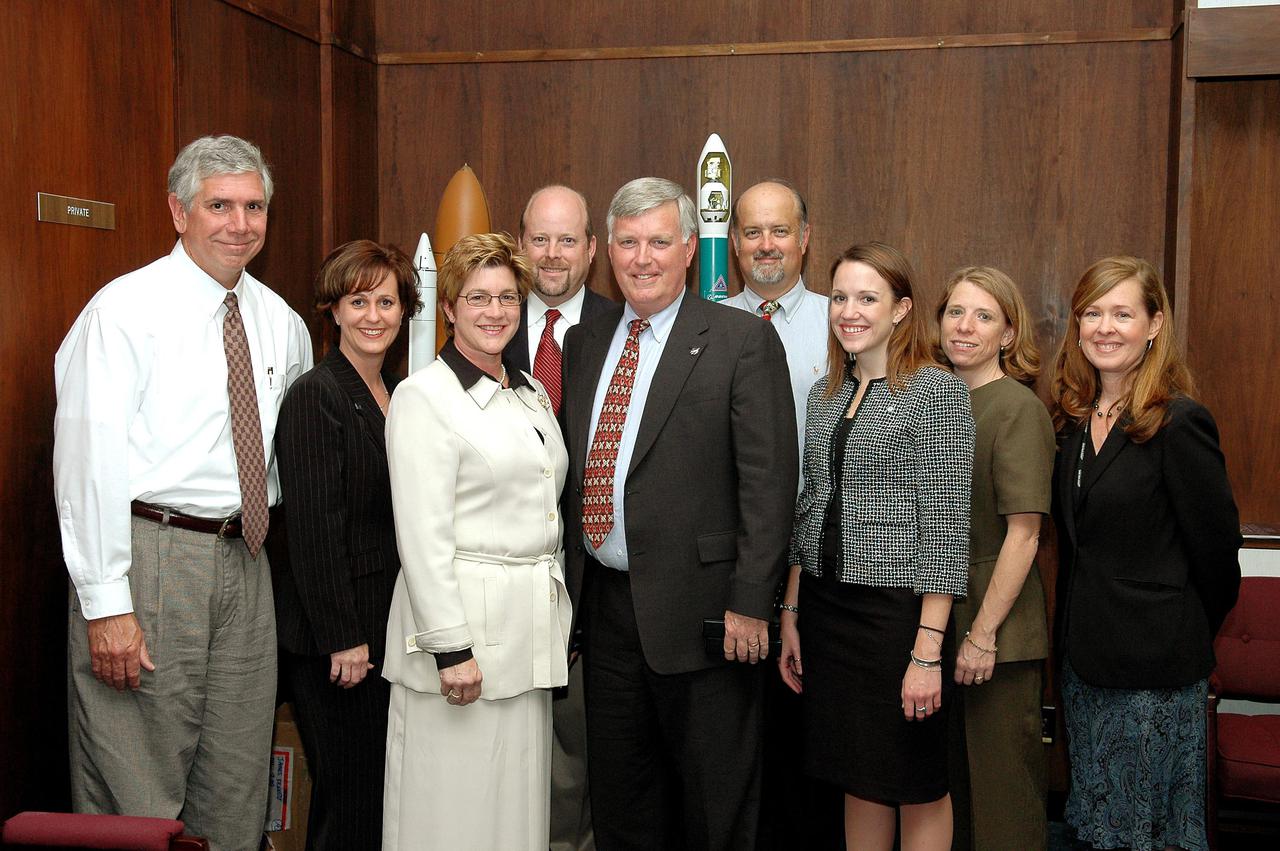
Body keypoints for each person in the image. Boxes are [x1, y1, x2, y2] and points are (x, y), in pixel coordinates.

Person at [53, 135, 312, 851]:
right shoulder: (123, 311)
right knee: (137, 789)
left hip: (246, 559)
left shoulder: (280, 320)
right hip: (149, 559)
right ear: (178, 210)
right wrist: (107, 603)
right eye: (218, 205)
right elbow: (85, 459)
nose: (239, 223)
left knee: (235, 784)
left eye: (254, 206)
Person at [561, 177, 798, 850]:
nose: (643, 258)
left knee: (712, 808)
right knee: (623, 802)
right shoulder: (587, 341)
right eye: (630, 242)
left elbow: (769, 483)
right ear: (608, 250)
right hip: (606, 613)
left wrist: (752, 602)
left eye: (660, 241)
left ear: (690, 248)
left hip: (708, 618)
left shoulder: (739, 340)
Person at [778, 241, 973, 851]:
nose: (849, 311)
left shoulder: (936, 393)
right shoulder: (826, 395)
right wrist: (790, 611)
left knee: (915, 780)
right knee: (855, 776)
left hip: (899, 620)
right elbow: (809, 512)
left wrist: (927, 651)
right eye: (839, 297)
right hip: (827, 612)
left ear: (901, 310)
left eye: (868, 298)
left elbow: (945, 530)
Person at [381, 232, 571, 851]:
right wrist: (448, 648)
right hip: (461, 644)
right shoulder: (422, 397)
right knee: (453, 816)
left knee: (514, 810)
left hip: (527, 636)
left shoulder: (530, 391)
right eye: (477, 298)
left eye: (507, 298)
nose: (495, 312)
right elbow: (421, 536)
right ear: (450, 308)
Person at [1050, 256, 1240, 851]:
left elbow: (1217, 554)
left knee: (1150, 834)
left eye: (1123, 313)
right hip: (1085, 666)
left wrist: (1172, 622)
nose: (1105, 327)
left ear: (1154, 324)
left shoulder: (1180, 421)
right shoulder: (1074, 425)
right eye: (1092, 313)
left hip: (1154, 670)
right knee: (1099, 826)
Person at [273, 240, 420, 850]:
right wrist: (344, 638)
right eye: (358, 301)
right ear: (332, 309)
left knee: (376, 796)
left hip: (385, 626)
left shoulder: (395, 393)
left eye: (387, 301)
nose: (374, 316)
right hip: (340, 641)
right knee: (351, 801)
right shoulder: (317, 395)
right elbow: (312, 532)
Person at [935, 266, 1054, 850]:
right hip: (934, 629)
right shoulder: (929, 401)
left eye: (984, 316)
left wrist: (983, 635)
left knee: (1001, 803)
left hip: (994, 635)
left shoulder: (1017, 409)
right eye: (956, 311)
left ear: (1009, 334)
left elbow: (1025, 536)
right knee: (947, 799)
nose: (965, 326)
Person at [511, 184, 613, 851]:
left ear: (592, 249)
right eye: (540, 238)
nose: (553, 254)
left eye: (568, 239)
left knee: (577, 767)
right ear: (520, 244)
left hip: (592, 589)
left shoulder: (623, 327)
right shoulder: (480, 320)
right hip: (500, 582)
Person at [723, 178, 828, 461]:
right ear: (735, 243)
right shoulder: (708, 328)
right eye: (753, 232)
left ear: (803, 239)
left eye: (780, 231)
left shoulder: (840, 326)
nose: (766, 245)